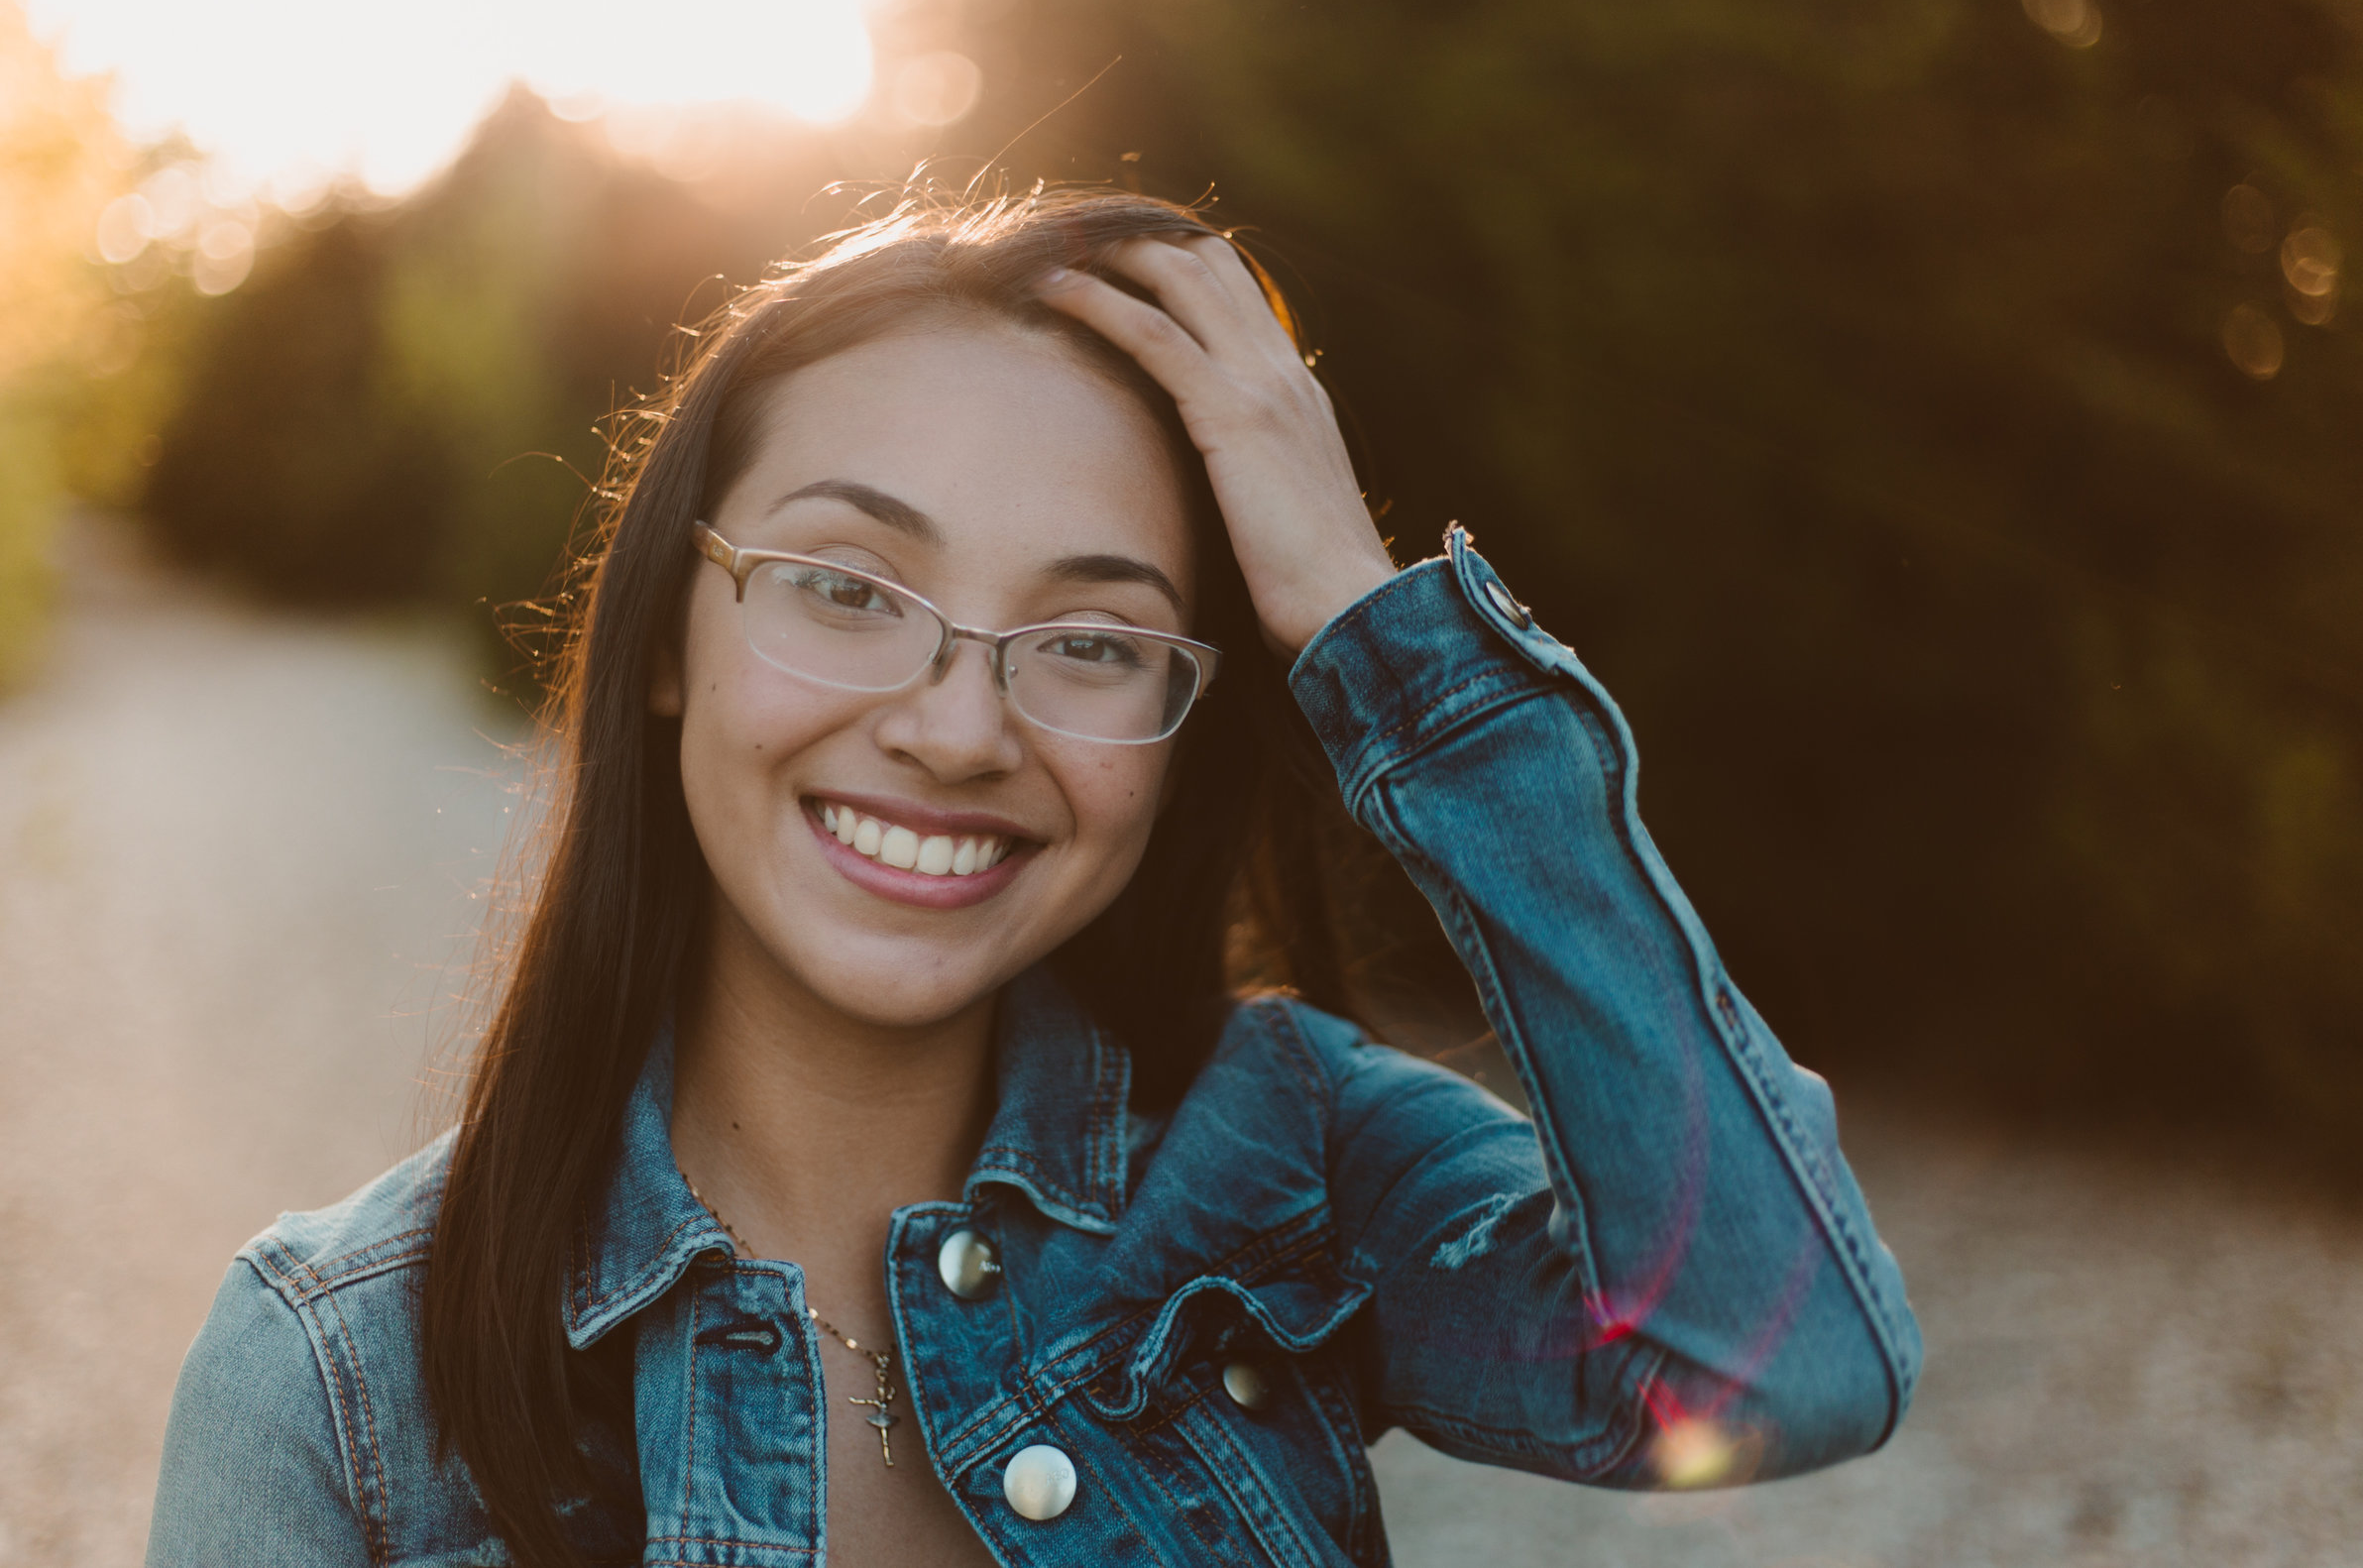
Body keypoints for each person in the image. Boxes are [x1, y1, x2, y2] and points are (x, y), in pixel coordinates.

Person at [145, 187, 1921, 1567]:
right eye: (846, 584)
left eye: (1090, 637)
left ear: (1182, 723)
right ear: (674, 633)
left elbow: (1783, 1362)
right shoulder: (333, 1370)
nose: (957, 725)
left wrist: (1379, 632)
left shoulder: (1287, 1159)